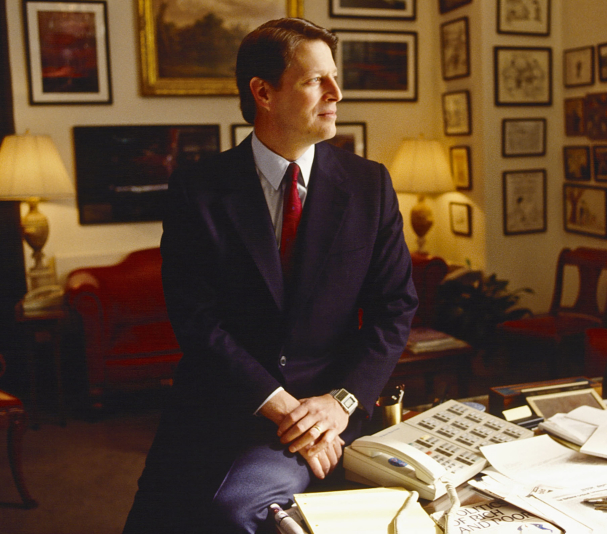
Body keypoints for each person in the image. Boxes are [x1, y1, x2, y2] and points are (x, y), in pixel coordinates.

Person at [122, 18, 418, 534]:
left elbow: (396, 307)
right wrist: (283, 408)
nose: (337, 93)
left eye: (334, 77)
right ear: (263, 92)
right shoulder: (198, 188)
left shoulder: (370, 184)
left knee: (238, 507)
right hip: (223, 400)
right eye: (315, 81)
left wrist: (339, 404)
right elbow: (197, 320)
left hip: (333, 404)